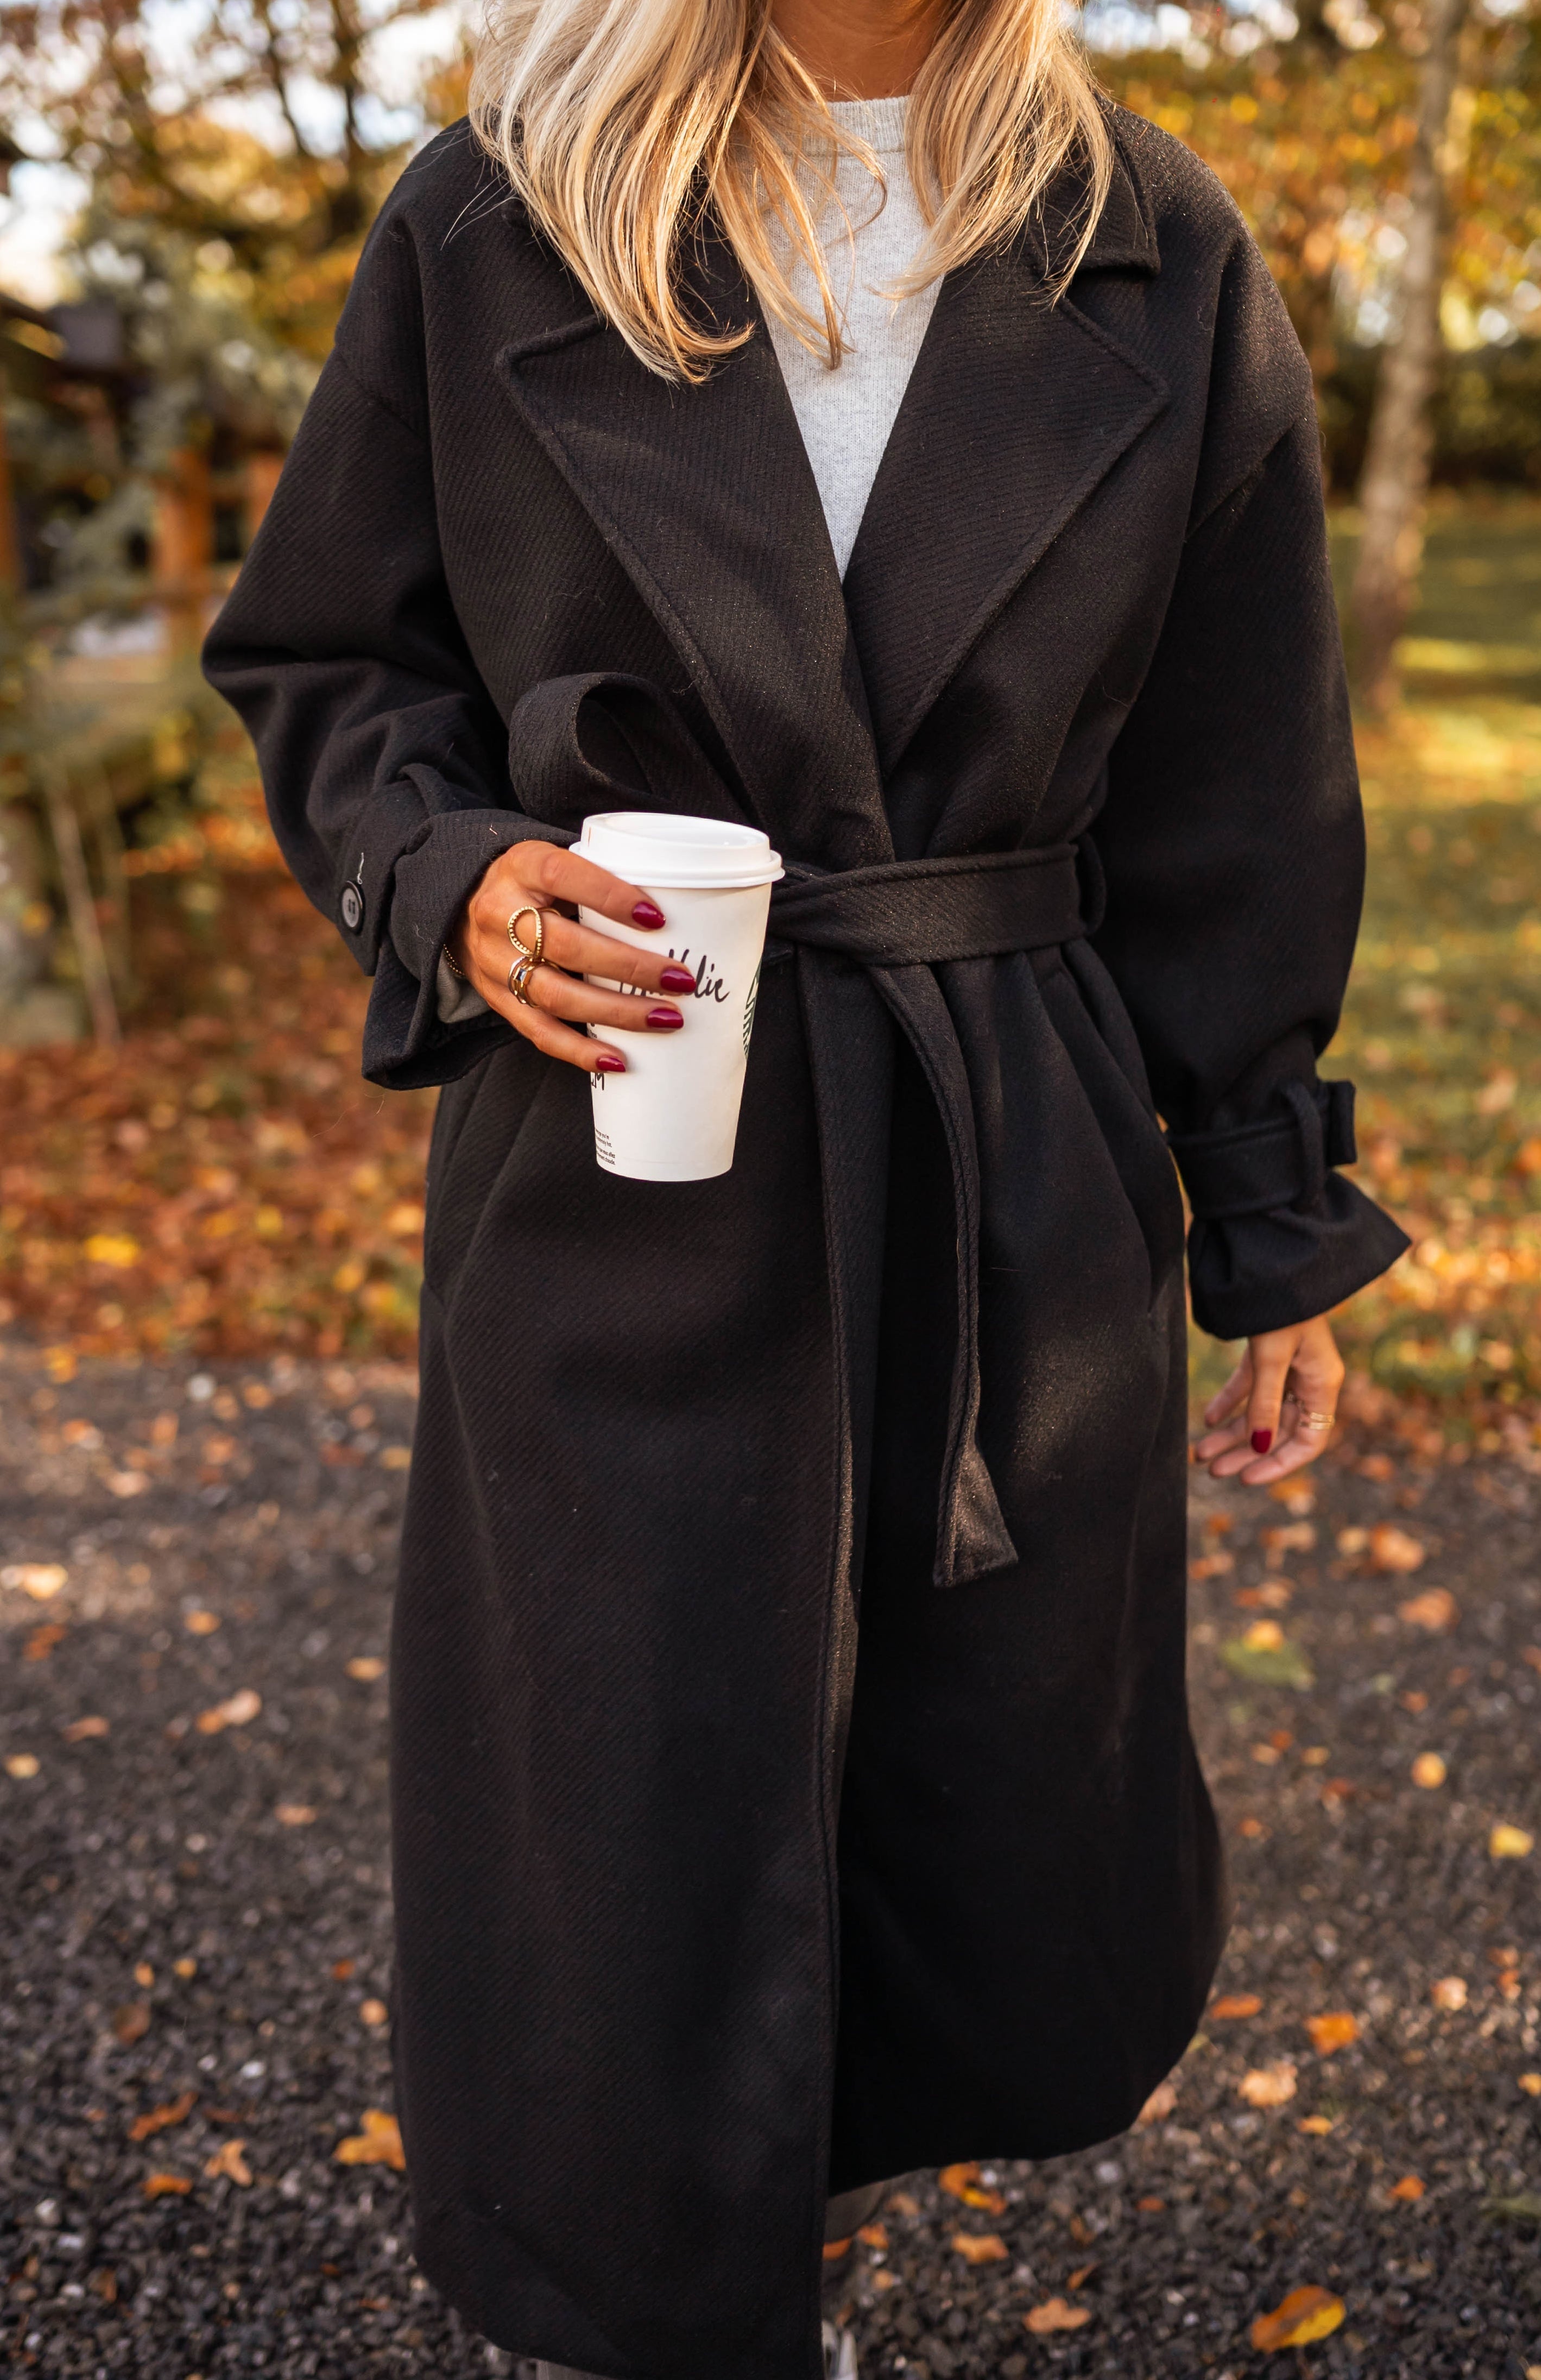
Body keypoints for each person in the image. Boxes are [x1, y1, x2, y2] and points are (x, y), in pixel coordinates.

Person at [202, 0, 1410, 2371]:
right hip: (620, 1142)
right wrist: (447, 880)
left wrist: (1274, 1217)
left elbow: (1235, 784)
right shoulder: (498, 205)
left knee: (948, 1820)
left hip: (1011, 1163)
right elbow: (331, 658)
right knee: (623, 1814)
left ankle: (804, 2270)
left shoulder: (1146, 242)